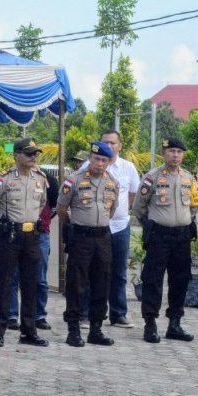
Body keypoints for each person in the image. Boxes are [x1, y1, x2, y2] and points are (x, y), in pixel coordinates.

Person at [133, 138, 198, 344]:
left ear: (183, 155)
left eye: (179, 152)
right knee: (153, 280)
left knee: (180, 280)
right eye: (171, 151)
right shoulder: (152, 177)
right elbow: (139, 207)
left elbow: (195, 204)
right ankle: (150, 324)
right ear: (164, 153)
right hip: (159, 236)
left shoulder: (189, 178)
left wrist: (185, 220)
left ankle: (174, 324)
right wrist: (153, 225)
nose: (175, 155)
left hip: (182, 237)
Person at [0, 137, 49, 348]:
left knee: (31, 283)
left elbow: (42, 203)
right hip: (8, 234)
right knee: (3, 283)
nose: (33, 157)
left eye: (35, 154)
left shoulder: (40, 178)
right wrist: (3, 221)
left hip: (31, 235)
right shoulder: (3, 179)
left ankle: (29, 331)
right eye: (28, 154)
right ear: (16, 155)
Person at [57, 141, 120, 347]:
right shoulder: (73, 181)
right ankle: (73, 329)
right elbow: (62, 209)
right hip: (81, 237)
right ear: (89, 159)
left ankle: (96, 329)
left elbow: (111, 210)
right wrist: (76, 227)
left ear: (108, 162)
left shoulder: (112, 182)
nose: (99, 163)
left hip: (102, 237)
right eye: (96, 159)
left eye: (104, 160)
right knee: (77, 283)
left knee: (102, 283)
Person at [77, 130, 141, 328]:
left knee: (118, 271)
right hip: (95, 228)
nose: (110, 146)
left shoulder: (128, 168)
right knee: (91, 271)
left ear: (120, 146)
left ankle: (118, 313)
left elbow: (132, 195)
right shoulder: (87, 166)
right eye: (106, 142)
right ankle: (86, 313)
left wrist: (120, 212)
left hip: (120, 226)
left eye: (113, 143)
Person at [8, 172, 58, 331]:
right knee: (13, 276)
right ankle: (11, 315)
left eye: (34, 155)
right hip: (16, 231)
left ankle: (39, 315)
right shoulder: (10, 178)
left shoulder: (48, 180)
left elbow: (55, 206)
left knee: (40, 277)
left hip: (40, 233)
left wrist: (43, 222)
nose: (31, 159)